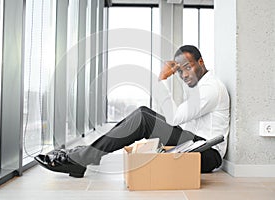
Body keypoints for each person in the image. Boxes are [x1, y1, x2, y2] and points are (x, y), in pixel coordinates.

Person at [35, 45, 230, 178]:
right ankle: (83, 154)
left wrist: (162, 79)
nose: (184, 74)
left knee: (144, 119)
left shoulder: (210, 88)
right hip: (192, 144)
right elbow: (177, 119)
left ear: (201, 62)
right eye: (179, 71)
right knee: (142, 112)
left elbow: (174, 117)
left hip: (206, 152)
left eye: (188, 67)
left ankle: (83, 157)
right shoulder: (201, 86)